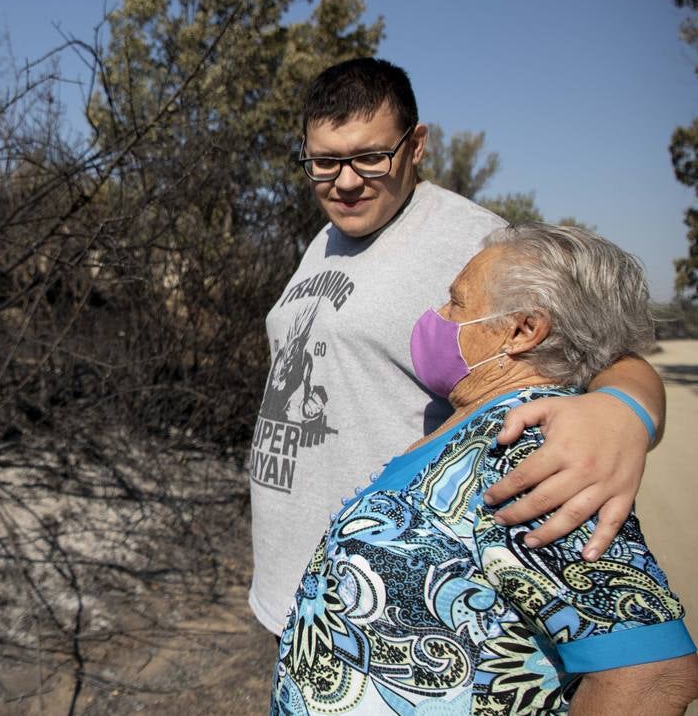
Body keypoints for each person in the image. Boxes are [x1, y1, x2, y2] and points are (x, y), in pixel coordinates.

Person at [247, 58, 666, 640]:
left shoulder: (473, 242)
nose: (345, 181)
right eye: (325, 162)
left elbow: (614, 356)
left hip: (392, 605)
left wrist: (626, 412)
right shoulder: (328, 234)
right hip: (294, 591)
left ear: (416, 145)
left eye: (370, 157)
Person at [271, 223, 698, 713]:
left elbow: (651, 674)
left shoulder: (530, 450)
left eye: (457, 304)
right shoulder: (484, 422)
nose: (436, 317)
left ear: (522, 330)